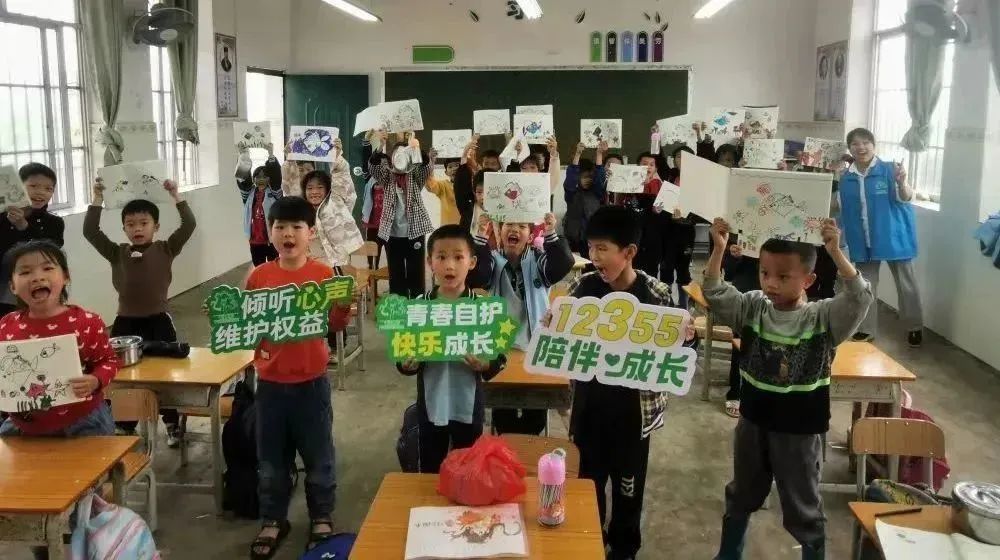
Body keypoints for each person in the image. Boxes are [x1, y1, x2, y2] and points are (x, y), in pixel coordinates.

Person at [704, 218, 873, 560]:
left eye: (783, 277)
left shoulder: (822, 319)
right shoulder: (753, 307)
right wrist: (719, 249)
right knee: (742, 493)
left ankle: (813, 552)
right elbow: (715, 291)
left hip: (799, 431)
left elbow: (859, 297)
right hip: (753, 423)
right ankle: (728, 553)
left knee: (803, 505)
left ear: (808, 280)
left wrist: (836, 252)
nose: (771, 283)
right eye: (765, 273)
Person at [559, 205, 694, 560]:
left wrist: (687, 339)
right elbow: (561, 336)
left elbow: (677, 351)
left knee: (628, 490)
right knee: (587, 486)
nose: (594, 256)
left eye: (602, 248)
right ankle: (590, 542)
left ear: (629, 252)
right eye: (591, 248)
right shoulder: (583, 287)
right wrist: (552, 324)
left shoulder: (656, 295)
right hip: (588, 411)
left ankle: (624, 548)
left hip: (634, 416)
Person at [0, 240, 118, 560]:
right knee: (32, 498)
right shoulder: (6, 327)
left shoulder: (86, 322)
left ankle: (90, 547)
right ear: (12, 285)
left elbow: (108, 361)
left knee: (84, 499)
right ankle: (44, 549)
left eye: (47, 268)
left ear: (65, 277)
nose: (37, 277)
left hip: (82, 424)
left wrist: (95, 380)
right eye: (25, 272)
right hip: (24, 428)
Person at [245, 196, 337, 558]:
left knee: (319, 457)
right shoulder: (259, 276)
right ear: (269, 233)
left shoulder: (323, 274)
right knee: (271, 460)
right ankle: (273, 519)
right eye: (280, 227)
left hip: (312, 383)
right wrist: (228, 318)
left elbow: (334, 324)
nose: (288, 234)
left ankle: (321, 516)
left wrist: (342, 308)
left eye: (296, 227)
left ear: (310, 233)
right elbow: (249, 327)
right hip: (270, 385)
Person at [84, 178, 196, 446]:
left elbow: (189, 224)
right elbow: (90, 231)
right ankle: (125, 424)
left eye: (143, 223)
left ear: (155, 226)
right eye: (130, 224)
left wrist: (175, 195)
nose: (137, 228)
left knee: (166, 372)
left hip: (159, 320)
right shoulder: (117, 253)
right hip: (125, 324)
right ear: (123, 228)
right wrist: (97, 197)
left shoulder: (166, 248)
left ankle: (171, 423)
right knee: (125, 375)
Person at [397, 224, 507, 473]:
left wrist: (485, 364)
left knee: (468, 470)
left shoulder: (483, 308)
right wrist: (406, 364)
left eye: (458, 257)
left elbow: (499, 357)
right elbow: (403, 354)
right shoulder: (418, 307)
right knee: (431, 470)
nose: (449, 266)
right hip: (430, 404)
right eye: (441, 257)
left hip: (468, 404)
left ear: (472, 262)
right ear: (429, 262)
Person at [837, 127, 923, 346]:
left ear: (874, 146)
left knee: (906, 285)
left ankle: (914, 327)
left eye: (866, 142)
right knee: (866, 286)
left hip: (894, 237)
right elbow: (841, 208)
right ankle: (866, 329)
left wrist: (902, 182)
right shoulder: (846, 178)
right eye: (855, 144)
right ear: (850, 148)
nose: (861, 147)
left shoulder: (890, 170)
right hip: (863, 240)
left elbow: (906, 197)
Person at [0, 163, 65, 318]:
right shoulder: (2, 218)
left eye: (48, 189)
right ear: (18, 186)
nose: (41, 192)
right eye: (33, 186)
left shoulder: (54, 223)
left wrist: (24, 227)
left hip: (38, 289)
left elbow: (50, 253)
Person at [375, 136, 435, 299]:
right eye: (397, 154)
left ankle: (417, 303)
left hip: (415, 232)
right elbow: (374, 168)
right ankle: (398, 306)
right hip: (392, 233)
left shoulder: (414, 176)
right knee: (396, 273)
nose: (401, 158)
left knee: (416, 272)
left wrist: (416, 149)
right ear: (392, 158)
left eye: (405, 154)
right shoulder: (387, 177)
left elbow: (426, 168)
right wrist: (380, 146)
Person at [301, 138, 364, 268]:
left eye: (320, 187)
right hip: (309, 267)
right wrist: (289, 163)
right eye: (310, 188)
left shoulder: (336, 202)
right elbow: (289, 187)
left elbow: (341, 178)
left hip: (337, 266)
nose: (314, 192)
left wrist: (336, 156)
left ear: (327, 189)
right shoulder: (299, 210)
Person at [720, 237, 759, 419]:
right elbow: (728, 273)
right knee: (742, 345)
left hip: (779, 294)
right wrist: (734, 255)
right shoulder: (743, 231)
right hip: (746, 295)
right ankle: (735, 392)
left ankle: (762, 393)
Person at [236, 143, 283, 266]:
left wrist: (271, 155)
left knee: (274, 267)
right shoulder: (248, 194)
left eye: (265, 176)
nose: (261, 179)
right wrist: (243, 155)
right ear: (254, 179)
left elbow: (276, 177)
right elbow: (243, 179)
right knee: (258, 268)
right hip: (255, 241)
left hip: (272, 239)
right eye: (257, 176)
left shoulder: (275, 193)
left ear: (269, 179)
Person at [563, 141, 608, 259]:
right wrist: (578, 154)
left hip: (594, 239)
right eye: (584, 177)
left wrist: (599, 154)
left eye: (590, 177)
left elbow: (600, 176)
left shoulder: (596, 193)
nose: (588, 180)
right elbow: (571, 178)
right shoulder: (571, 193)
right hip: (574, 240)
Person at [361, 147, 390, 270]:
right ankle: (371, 272)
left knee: (389, 251)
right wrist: (381, 145)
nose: (384, 167)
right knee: (371, 250)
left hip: (387, 223)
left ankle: (389, 273)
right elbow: (367, 160)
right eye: (381, 164)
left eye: (386, 164)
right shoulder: (369, 178)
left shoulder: (392, 180)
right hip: (373, 223)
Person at [425, 153, 461, 226]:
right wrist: (431, 162)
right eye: (450, 167)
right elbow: (430, 185)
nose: (454, 169)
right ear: (446, 172)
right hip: (447, 228)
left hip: (466, 228)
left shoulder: (470, 184)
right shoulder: (443, 186)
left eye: (457, 165)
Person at [469, 171, 497, 250]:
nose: (483, 197)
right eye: (479, 192)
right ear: (474, 193)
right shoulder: (469, 214)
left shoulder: (508, 215)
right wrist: (481, 231)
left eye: (488, 192)